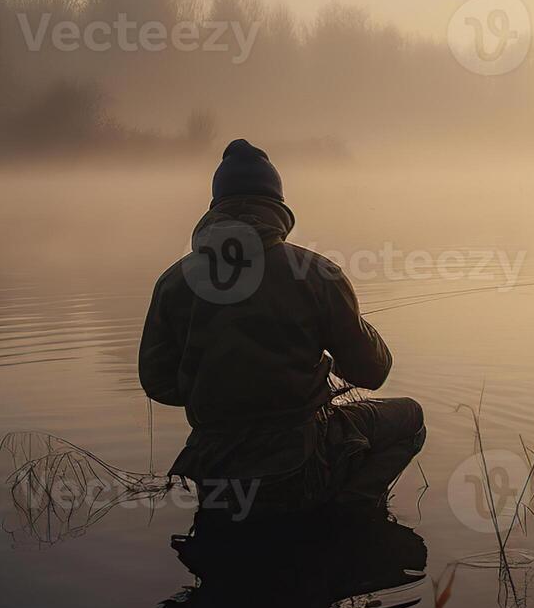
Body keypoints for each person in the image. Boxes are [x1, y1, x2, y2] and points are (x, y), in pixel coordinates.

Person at [139, 139, 424, 526]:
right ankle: (353, 517)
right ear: (278, 208)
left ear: (215, 208)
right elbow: (373, 373)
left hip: (214, 466)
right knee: (410, 418)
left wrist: (216, 386)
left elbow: (157, 383)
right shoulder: (317, 274)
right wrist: (357, 328)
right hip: (296, 461)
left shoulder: (173, 282)